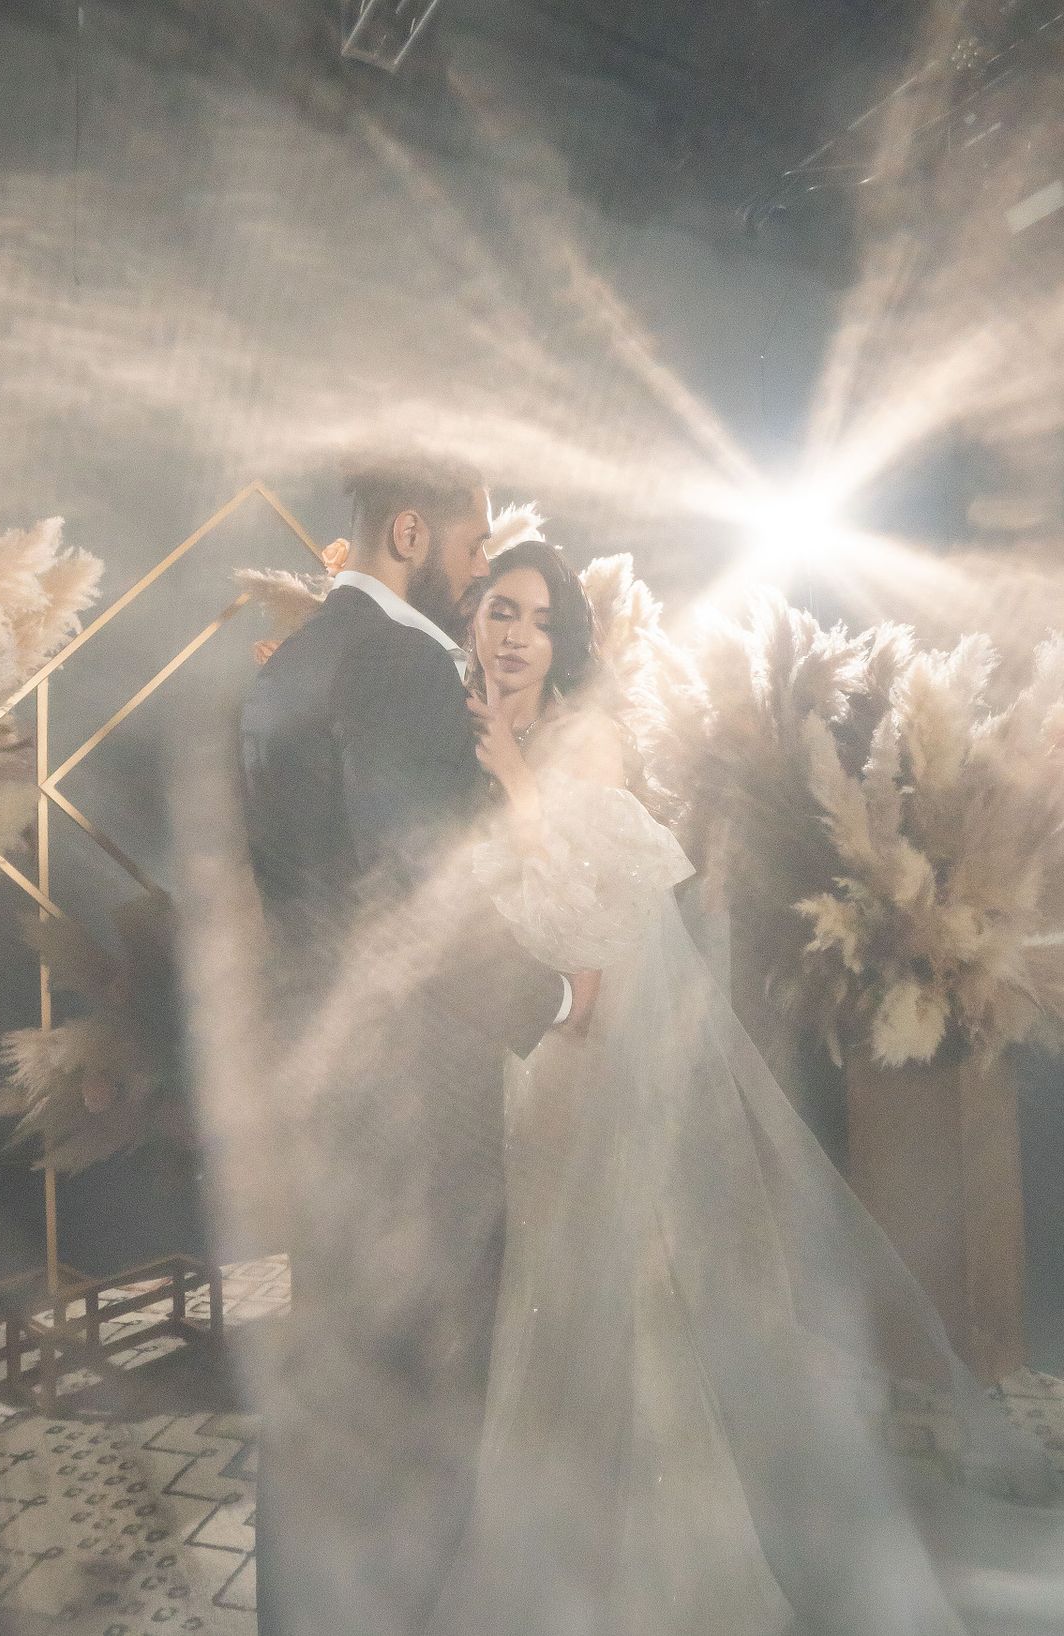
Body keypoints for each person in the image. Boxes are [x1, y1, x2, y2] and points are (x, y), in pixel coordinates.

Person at [429, 538, 1064, 1636]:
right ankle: (545, 1556)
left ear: (562, 640)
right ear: (472, 624)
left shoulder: (590, 746)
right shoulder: (472, 741)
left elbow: (602, 919)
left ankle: (668, 1583)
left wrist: (515, 779)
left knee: (629, 1304)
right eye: (497, 611)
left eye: (535, 617)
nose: (513, 634)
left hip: (596, 1063)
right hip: (523, 1066)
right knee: (539, 1304)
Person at [239, 456, 588, 1636]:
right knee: (433, 1402)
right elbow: (416, 901)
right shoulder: (400, 671)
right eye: (473, 541)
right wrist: (551, 1000)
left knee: (323, 1399)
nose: (483, 563)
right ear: (407, 532)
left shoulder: (287, 669)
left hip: (318, 1092)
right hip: (414, 1108)